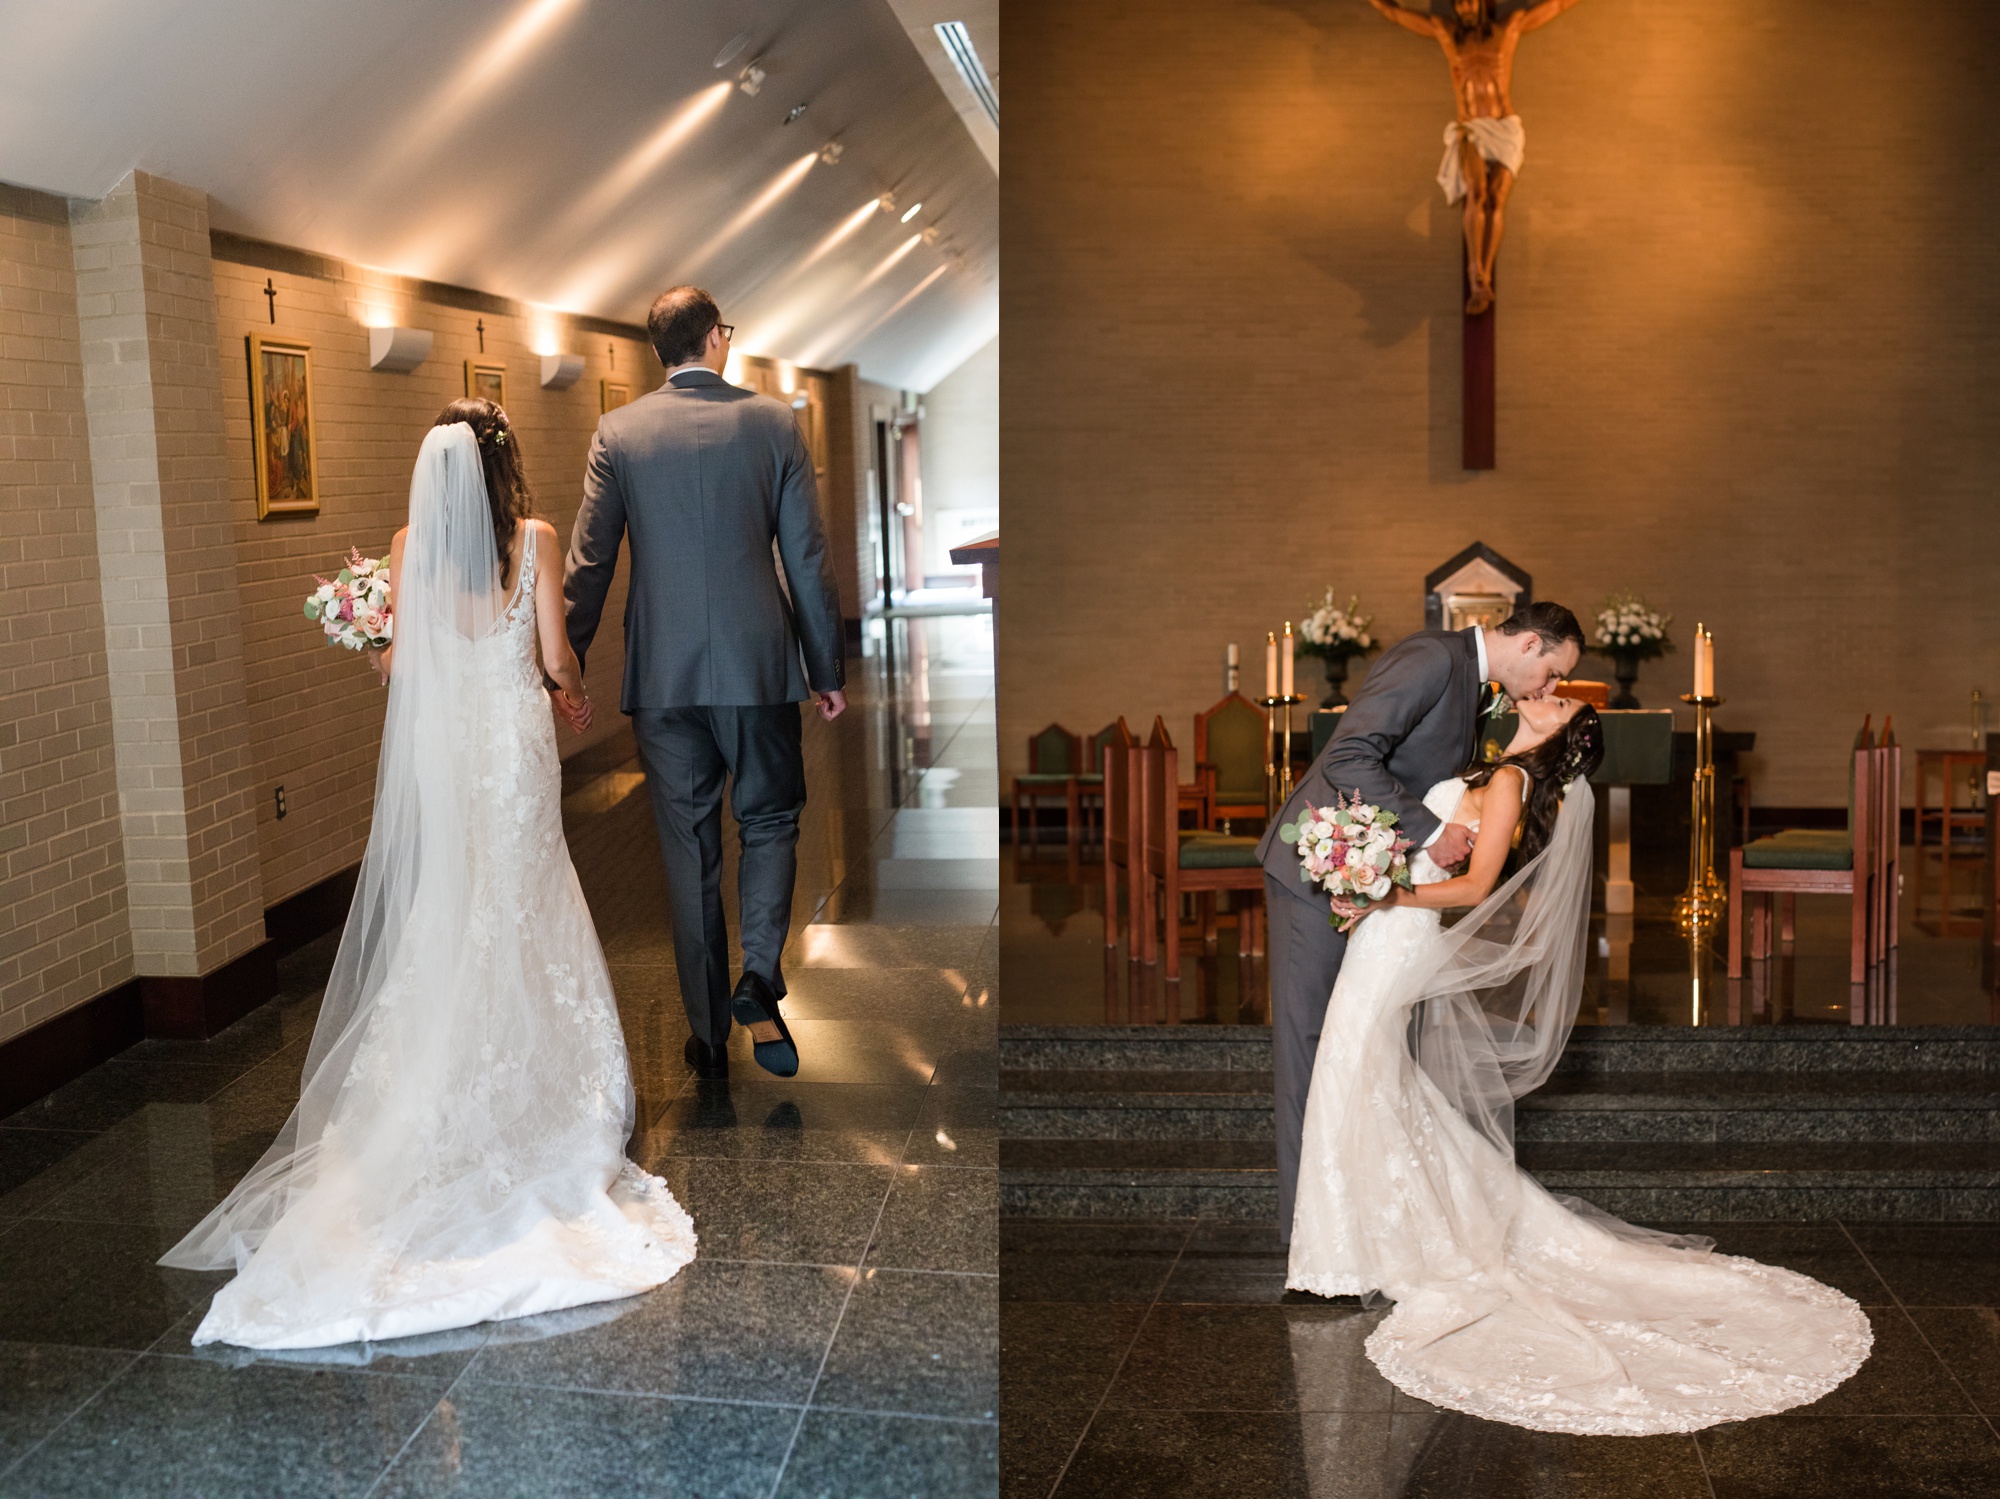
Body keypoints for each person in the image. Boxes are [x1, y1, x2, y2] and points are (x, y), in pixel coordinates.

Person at [159, 402, 696, 1349]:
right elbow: (556, 658)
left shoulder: (408, 547)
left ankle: (438, 1089)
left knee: (454, 907)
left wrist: (377, 644)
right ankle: (539, 1093)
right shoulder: (530, 539)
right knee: (525, 899)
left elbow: (402, 672)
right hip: (515, 751)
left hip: (448, 754)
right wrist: (571, 696)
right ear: (504, 466)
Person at [1285, 695, 1871, 1430]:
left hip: (1401, 928)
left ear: (1561, 732)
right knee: (1364, 1074)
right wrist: (1372, 863)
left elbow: (1474, 886)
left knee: (1351, 1066)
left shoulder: (1510, 786)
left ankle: (1345, 1255)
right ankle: (1356, 1244)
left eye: (1557, 699)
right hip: (1386, 925)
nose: (1541, 694)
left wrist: (1385, 890)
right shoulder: (1492, 767)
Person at [562, 286, 846, 1082]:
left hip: (663, 676)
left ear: (660, 351)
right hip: (758, 670)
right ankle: (758, 975)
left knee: (688, 849)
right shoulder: (772, 424)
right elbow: (808, 557)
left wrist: (565, 664)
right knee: (769, 818)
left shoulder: (618, 433)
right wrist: (825, 668)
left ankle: (705, 1032)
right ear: (716, 338)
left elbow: (590, 562)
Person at [1259, 601, 1583, 1247]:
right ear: (1526, 643)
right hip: (1318, 874)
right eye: (1552, 671)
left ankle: (1359, 1215)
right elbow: (1349, 756)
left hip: (1372, 879)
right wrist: (1432, 831)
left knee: (1358, 1052)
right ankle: (1312, 1233)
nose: (1550, 688)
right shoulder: (1434, 658)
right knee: (1313, 1045)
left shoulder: (1473, 679)